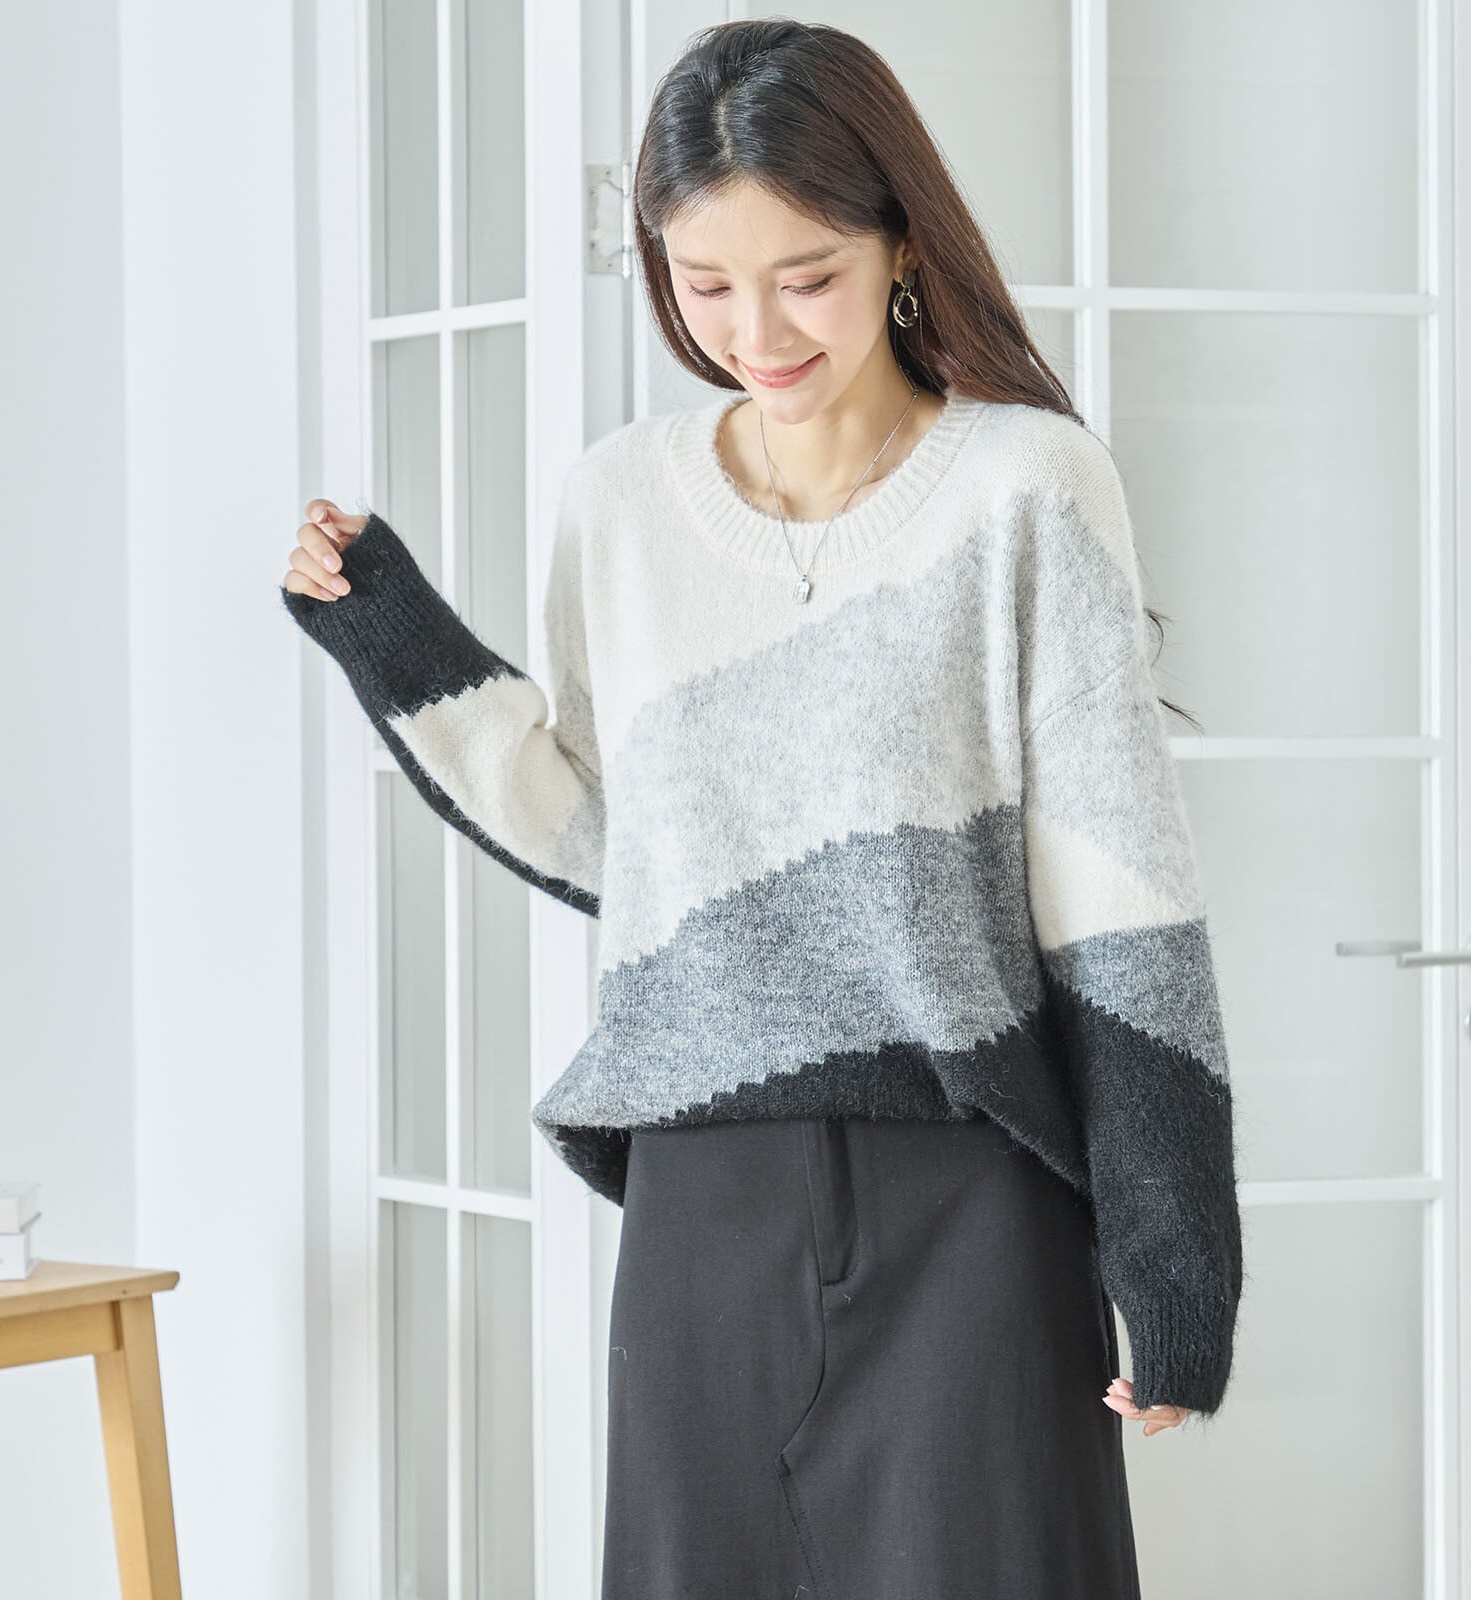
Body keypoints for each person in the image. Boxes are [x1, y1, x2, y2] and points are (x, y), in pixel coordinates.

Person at [280, 17, 1243, 1598]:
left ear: (901, 244)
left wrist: (1174, 1252)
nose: (755, 331)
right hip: (702, 1200)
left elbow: (1116, 885)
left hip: (969, 1187)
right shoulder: (619, 501)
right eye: (704, 284)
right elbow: (615, 844)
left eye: (805, 277)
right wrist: (393, 639)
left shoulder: (1026, 486)